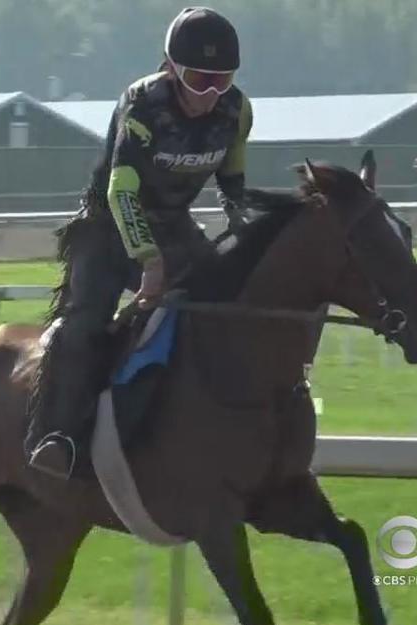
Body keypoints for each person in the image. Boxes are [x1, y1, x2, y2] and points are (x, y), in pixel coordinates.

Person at [24, 6, 254, 480]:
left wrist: (242, 223)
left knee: (224, 301)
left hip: (173, 223)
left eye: (222, 80)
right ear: (170, 68)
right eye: (197, 79)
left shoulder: (237, 110)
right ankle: (57, 437)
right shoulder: (142, 104)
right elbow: (120, 190)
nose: (210, 94)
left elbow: (232, 181)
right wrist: (149, 261)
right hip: (109, 226)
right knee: (85, 324)